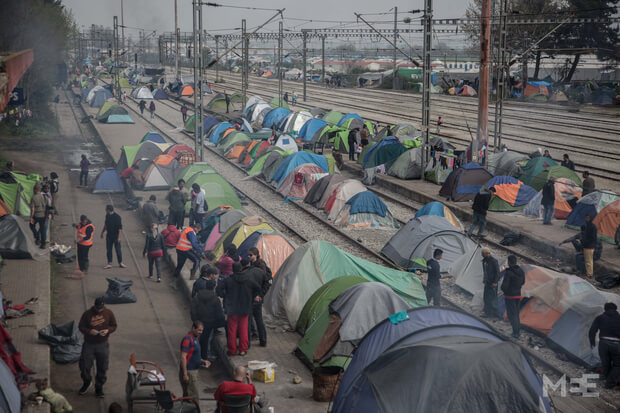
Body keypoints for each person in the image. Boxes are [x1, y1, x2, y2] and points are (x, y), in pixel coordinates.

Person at [217, 262, 260, 356]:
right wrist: (253, 296)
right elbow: (257, 288)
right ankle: (242, 350)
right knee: (243, 329)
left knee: (232, 330)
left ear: (232, 269)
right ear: (241, 269)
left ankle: (232, 350)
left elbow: (219, 290)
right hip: (245, 308)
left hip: (232, 309)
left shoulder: (228, 280)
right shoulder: (248, 279)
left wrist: (225, 296)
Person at [78, 297, 117, 398]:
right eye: (98, 308)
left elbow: (114, 325)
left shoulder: (108, 313)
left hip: (103, 344)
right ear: (94, 305)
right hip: (89, 344)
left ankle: (99, 387)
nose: (100, 310)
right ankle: (87, 381)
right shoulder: (87, 314)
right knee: (84, 365)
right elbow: (81, 327)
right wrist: (89, 331)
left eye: (101, 308)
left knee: (102, 366)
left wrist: (108, 330)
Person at [191, 276, 225, 361]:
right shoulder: (215, 298)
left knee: (197, 338)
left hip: (199, 320)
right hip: (210, 323)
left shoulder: (198, 296)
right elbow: (219, 312)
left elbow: (193, 308)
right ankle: (206, 356)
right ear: (214, 287)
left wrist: (195, 319)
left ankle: (195, 354)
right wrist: (221, 323)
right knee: (207, 340)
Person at [588, 303, 620, 389]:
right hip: (616, 344)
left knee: (605, 363)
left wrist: (592, 342)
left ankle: (606, 378)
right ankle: (609, 384)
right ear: (615, 309)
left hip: (603, 343)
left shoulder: (600, 317)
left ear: (605, 309)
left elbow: (592, 330)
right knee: (618, 365)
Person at [179, 322, 210, 403]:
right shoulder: (188, 339)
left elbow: (193, 355)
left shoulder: (195, 339)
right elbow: (183, 357)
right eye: (199, 330)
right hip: (189, 372)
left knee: (187, 396)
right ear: (193, 328)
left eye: (202, 330)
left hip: (193, 371)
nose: (201, 332)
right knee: (193, 398)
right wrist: (185, 374)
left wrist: (202, 361)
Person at [244, 253, 271, 347]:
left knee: (248, 321)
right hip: (258, 300)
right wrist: (260, 295)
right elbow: (267, 284)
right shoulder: (261, 272)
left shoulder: (245, 273)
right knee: (259, 320)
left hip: (248, 300)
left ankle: (247, 343)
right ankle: (263, 341)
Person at [501, 255, 525, 339]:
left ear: (509, 262)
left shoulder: (509, 273)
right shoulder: (521, 271)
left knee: (512, 315)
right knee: (516, 314)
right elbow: (523, 282)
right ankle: (517, 332)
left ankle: (515, 334)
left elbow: (504, 286)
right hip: (518, 295)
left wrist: (505, 290)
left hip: (510, 297)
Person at [101, 205, 126, 269]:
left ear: (108, 210)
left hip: (116, 236)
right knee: (109, 250)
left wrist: (119, 237)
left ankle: (120, 262)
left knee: (118, 250)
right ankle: (109, 263)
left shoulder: (117, 217)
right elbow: (106, 225)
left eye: (106, 209)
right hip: (109, 235)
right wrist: (102, 232)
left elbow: (120, 228)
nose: (105, 210)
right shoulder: (107, 216)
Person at [481, 247, 500, 318]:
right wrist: (484, 279)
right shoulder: (484, 261)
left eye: (483, 253)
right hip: (487, 282)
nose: (482, 255)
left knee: (493, 299)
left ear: (486, 253)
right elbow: (485, 271)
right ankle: (487, 313)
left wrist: (495, 282)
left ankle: (495, 314)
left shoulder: (494, 261)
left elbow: (497, 273)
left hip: (492, 283)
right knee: (486, 297)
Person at [30, 184, 49, 248]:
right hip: (43, 215)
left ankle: (37, 237)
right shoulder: (44, 196)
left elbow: (33, 209)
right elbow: (47, 206)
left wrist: (31, 217)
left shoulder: (33, 197)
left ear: (35, 190)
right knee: (42, 229)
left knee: (31, 225)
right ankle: (43, 244)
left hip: (36, 215)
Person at [583, 214, 598, 278]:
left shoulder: (592, 226)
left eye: (588, 218)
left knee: (589, 261)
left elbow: (593, 237)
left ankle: (590, 274)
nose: (586, 219)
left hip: (589, 246)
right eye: (586, 218)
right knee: (587, 260)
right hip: (586, 246)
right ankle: (588, 273)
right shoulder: (587, 226)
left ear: (591, 218)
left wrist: (587, 242)